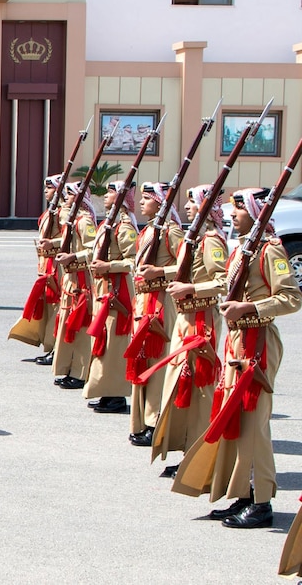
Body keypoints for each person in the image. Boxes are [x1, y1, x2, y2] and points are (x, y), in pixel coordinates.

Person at [172, 188, 301, 528]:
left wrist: (252, 307)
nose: (232, 214)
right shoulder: (243, 249)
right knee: (235, 421)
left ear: (256, 212)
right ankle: (242, 492)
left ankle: (261, 503)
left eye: (239, 209)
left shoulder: (270, 250)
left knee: (254, 424)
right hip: (237, 341)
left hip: (258, 342)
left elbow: (291, 298)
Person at [153, 185, 227, 477]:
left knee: (199, 389)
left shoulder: (211, 242)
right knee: (181, 385)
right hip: (186, 316)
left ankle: (199, 454)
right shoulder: (193, 238)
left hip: (201, 318)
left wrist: (192, 287)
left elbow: (224, 282)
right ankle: (187, 450)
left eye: (193, 203)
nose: (186, 207)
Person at [127, 183, 183, 447]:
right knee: (142, 359)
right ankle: (141, 420)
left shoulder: (171, 232)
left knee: (157, 362)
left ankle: (155, 421)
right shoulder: (150, 229)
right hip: (144, 300)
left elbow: (185, 267)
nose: (141, 203)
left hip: (160, 302)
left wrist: (159, 273)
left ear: (160, 204)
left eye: (147, 199)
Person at [83, 181, 138, 415]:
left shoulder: (124, 227)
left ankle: (116, 395)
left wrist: (110, 266)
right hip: (104, 290)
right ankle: (106, 391)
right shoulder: (110, 224)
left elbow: (133, 261)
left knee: (114, 346)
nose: (105, 196)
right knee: (103, 344)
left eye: (110, 192)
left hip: (117, 293)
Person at [46, 182, 98, 389]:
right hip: (71, 278)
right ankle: (69, 368)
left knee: (80, 326)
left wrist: (73, 256)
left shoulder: (84, 222)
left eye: (69, 194)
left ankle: (80, 371)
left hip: (81, 280)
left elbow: (92, 251)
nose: (65, 197)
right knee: (68, 324)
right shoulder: (74, 220)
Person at [9, 174, 65, 366]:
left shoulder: (64, 213)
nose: (45, 191)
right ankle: (49, 346)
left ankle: (56, 347)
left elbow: (70, 240)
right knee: (47, 307)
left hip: (57, 267)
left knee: (56, 307)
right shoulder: (52, 210)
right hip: (46, 264)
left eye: (49, 188)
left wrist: (53, 244)